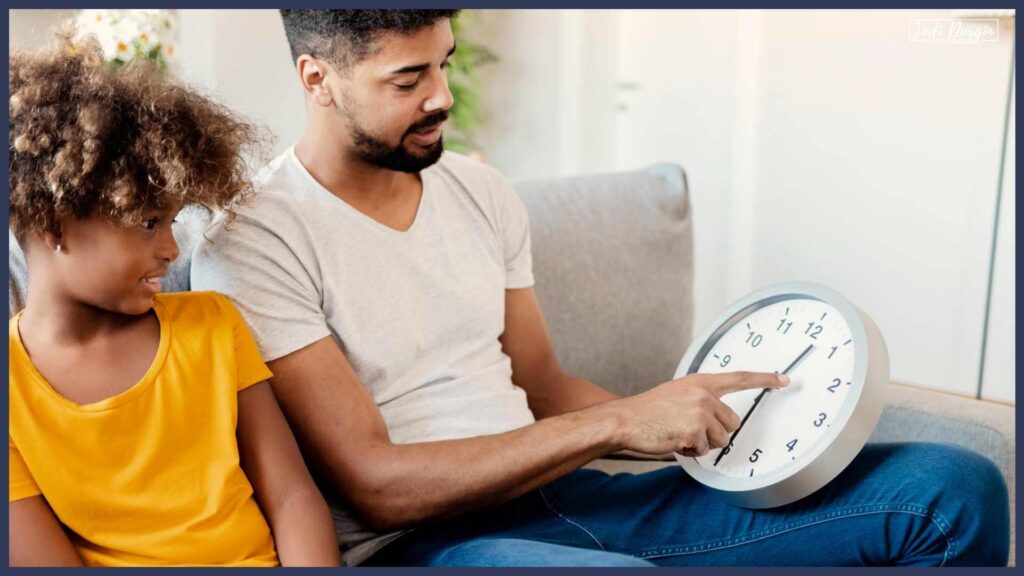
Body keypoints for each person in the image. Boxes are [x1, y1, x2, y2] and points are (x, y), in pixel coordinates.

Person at [191, 9, 1010, 567]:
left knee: (953, 490)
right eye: (407, 81)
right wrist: (620, 419)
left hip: (566, 500)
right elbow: (378, 482)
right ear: (317, 78)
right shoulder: (256, 236)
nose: (440, 95)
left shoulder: (480, 193)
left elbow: (546, 388)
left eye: (441, 63)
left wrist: (690, 419)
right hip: (424, 545)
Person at [8, 31, 340, 567]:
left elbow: (291, 495)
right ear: (52, 224)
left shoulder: (213, 324)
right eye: (146, 223)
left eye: (172, 221)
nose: (170, 248)